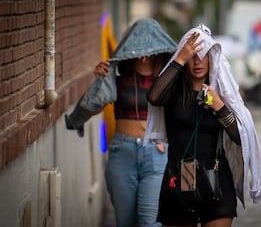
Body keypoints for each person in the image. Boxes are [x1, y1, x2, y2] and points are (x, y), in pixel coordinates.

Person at [145, 23, 261, 227]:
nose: (198, 61)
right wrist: (179, 58)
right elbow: (153, 97)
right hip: (179, 179)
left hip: (216, 180)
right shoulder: (173, 90)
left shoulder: (223, 92)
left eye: (204, 55)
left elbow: (240, 137)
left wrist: (219, 106)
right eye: (192, 55)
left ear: (213, 58)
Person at [65, 18, 177, 227]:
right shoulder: (118, 75)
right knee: (125, 223)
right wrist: (99, 81)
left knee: (150, 223)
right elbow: (94, 106)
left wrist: (167, 141)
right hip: (121, 151)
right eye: (139, 43)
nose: (144, 50)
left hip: (156, 153)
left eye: (150, 44)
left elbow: (180, 112)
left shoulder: (167, 78)